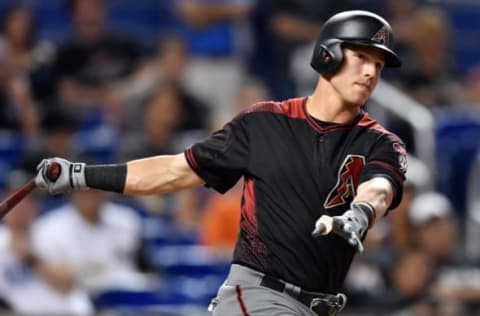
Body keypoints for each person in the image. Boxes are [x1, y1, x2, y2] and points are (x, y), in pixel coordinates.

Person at [34, 10, 407, 316]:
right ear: (329, 54)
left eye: (378, 63)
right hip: (259, 297)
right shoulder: (264, 123)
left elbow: (379, 187)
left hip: (318, 306)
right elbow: (175, 171)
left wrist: (360, 213)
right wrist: (83, 175)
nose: (372, 72)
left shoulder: (380, 142)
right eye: (361, 57)